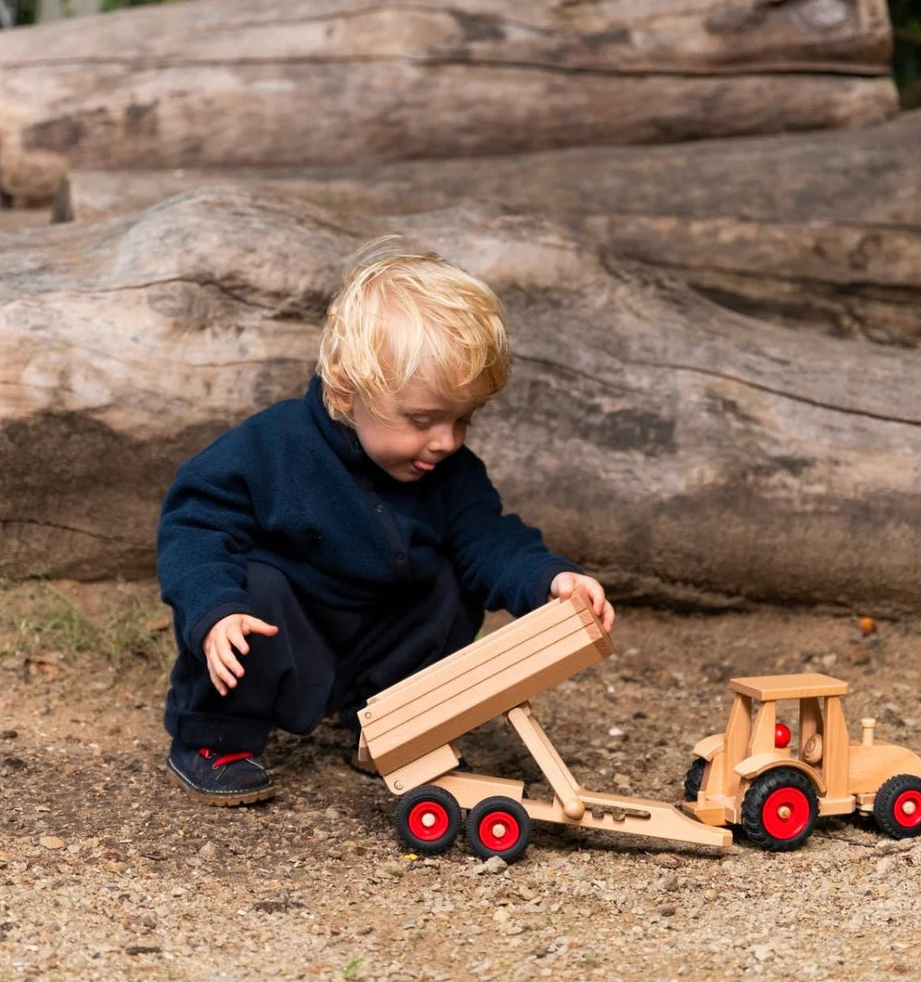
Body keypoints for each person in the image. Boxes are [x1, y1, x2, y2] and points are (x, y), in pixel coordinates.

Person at [157, 237, 615, 805]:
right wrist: (214, 609)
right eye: (422, 419)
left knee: (449, 586)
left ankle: (393, 727)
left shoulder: (451, 472)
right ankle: (213, 738)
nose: (445, 442)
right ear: (347, 393)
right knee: (253, 598)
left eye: (463, 420)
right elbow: (196, 523)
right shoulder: (272, 449)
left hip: (379, 636)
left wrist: (549, 579)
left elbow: (488, 539)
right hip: (291, 631)